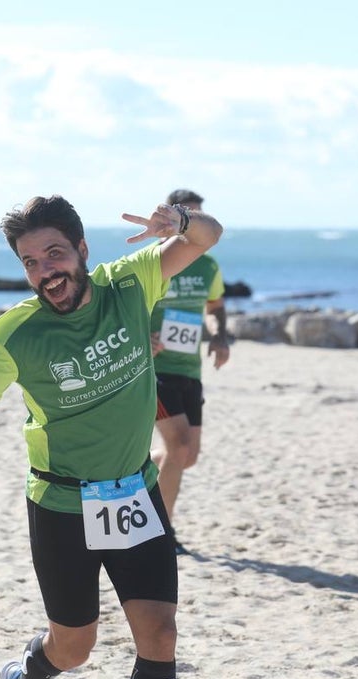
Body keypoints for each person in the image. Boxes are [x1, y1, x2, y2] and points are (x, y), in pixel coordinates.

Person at [0, 195, 222, 679]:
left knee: (159, 634)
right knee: (75, 647)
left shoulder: (129, 284)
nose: (44, 272)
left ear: (82, 250)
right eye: (30, 262)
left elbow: (208, 237)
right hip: (62, 505)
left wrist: (179, 222)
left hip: (134, 492)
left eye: (54, 254)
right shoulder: (15, 333)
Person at [149, 189, 230, 551]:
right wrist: (141, 337)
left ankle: (131, 472)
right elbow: (128, 307)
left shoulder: (208, 266)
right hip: (155, 368)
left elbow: (215, 308)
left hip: (189, 369)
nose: (192, 227)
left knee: (186, 456)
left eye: (198, 218)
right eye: (186, 218)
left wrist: (220, 337)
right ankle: (162, 532)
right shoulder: (154, 260)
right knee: (178, 446)